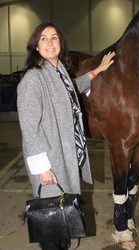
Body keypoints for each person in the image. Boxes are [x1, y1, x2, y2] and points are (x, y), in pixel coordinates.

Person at [17, 22, 115, 250]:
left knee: (62, 216)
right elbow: (30, 129)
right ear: (36, 47)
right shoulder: (33, 79)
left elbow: (73, 87)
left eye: (54, 38)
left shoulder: (59, 72)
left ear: (61, 43)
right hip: (50, 162)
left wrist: (98, 70)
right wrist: (42, 168)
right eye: (43, 38)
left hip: (65, 157)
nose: (50, 42)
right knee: (51, 219)